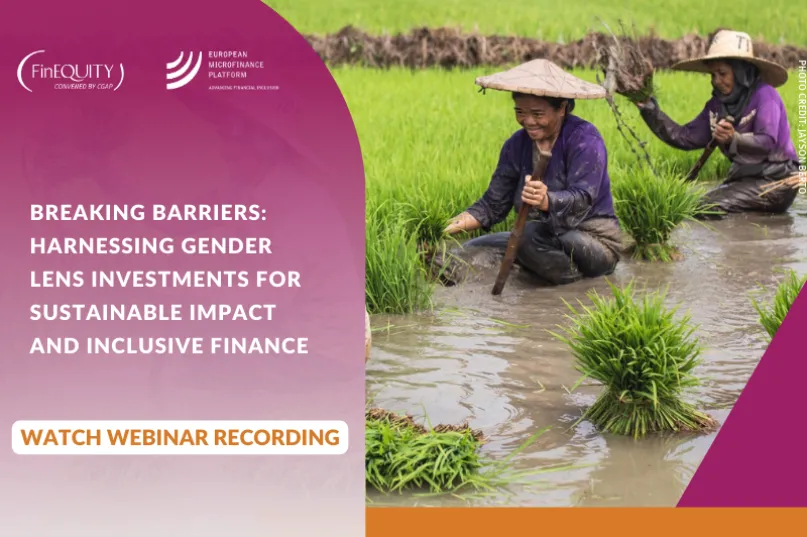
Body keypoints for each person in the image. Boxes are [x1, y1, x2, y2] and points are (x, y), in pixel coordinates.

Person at [443, 59, 625, 286]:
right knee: (469, 249)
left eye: (538, 114)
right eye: (520, 112)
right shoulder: (516, 145)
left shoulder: (585, 139)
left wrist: (546, 200)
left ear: (562, 108)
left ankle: (576, 285)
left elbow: (583, 198)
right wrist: (450, 225)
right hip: (539, 235)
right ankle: (537, 272)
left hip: (593, 241)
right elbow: (493, 204)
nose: (528, 121)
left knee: (526, 237)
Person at [634, 29, 799, 217]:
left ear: (741, 72)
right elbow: (685, 137)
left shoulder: (765, 95)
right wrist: (647, 108)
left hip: (777, 180)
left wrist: (733, 138)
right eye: (713, 75)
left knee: (704, 208)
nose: (716, 81)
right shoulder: (716, 106)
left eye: (722, 73)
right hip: (746, 178)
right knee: (698, 205)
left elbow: (767, 142)